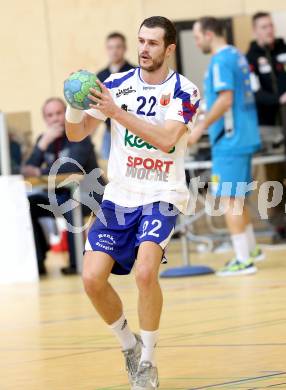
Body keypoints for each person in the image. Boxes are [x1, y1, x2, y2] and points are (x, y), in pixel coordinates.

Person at [65, 16, 200, 390]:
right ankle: (129, 345)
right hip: (120, 195)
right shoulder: (115, 86)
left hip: (161, 194)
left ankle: (148, 360)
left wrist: (116, 113)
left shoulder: (185, 91)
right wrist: (73, 104)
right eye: (141, 41)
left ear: (169, 49)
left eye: (153, 43)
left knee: (144, 273)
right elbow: (76, 132)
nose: (144, 49)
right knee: (92, 280)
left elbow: (168, 141)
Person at [190, 17, 263, 277]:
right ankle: (252, 250)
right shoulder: (237, 55)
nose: (196, 42)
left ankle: (243, 259)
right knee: (238, 198)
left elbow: (226, 99)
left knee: (229, 199)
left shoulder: (220, 60)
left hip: (229, 140)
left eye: (197, 37)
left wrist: (201, 127)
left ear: (209, 34)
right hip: (243, 136)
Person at [22, 97, 104, 275]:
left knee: (70, 204)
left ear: (66, 114)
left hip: (89, 194)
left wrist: (41, 172)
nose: (55, 118)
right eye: (50, 115)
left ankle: (77, 264)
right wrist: (42, 144)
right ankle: (38, 263)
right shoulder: (44, 139)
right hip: (60, 194)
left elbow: (72, 167)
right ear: (45, 119)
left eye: (59, 113)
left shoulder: (80, 134)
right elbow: (28, 169)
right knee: (29, 205)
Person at [246, 12, 286, 236]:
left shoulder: (283, 49)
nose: (269, 30)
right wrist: (278, 100)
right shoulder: (250, 57)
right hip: (268, 126)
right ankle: (280, 224)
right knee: (274, 175)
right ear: (255, 31)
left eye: (270, 26)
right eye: (263, 27)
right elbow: (254, 92)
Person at [97, 32, 135, 160]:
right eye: (111, 47)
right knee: (108, 169)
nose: (114, 51)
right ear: (106, 49)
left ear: (124, 48)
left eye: (118, 47)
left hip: (132, 131)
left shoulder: (135, 73)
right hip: (109, 131)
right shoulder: (101, 76)